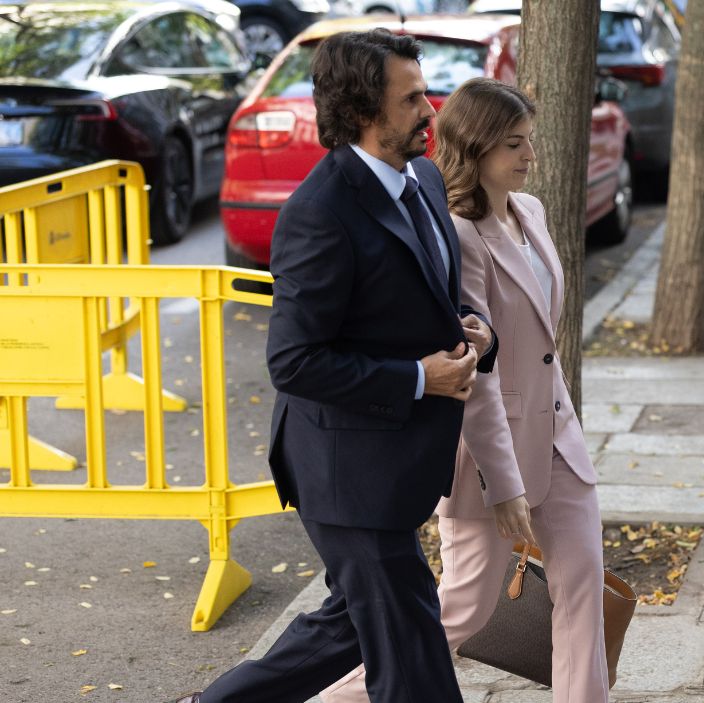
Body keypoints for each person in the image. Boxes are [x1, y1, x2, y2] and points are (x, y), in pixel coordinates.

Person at [171, 28, 497, 703]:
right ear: (361, 112)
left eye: (425, 93)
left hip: (397, 463)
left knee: (352, 621)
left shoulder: (425, 178)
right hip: (345, 472)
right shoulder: (319, 212)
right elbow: (294, 361)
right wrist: (420, 377)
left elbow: (436, 293)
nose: (430, 111)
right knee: (411, 645)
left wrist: (474, 329)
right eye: (411, 100)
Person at [319, 78, 608, 703]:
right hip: (490, 454)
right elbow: (475, 372)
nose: (529, 155)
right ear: (475, 147)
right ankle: (334, 699)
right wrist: (504, 486)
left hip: (558, 437)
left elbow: (542, 342)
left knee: (585, 589)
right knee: (461, 611)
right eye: (512, 144)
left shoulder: (530, 212)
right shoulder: (457, 233)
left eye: (529, 140)